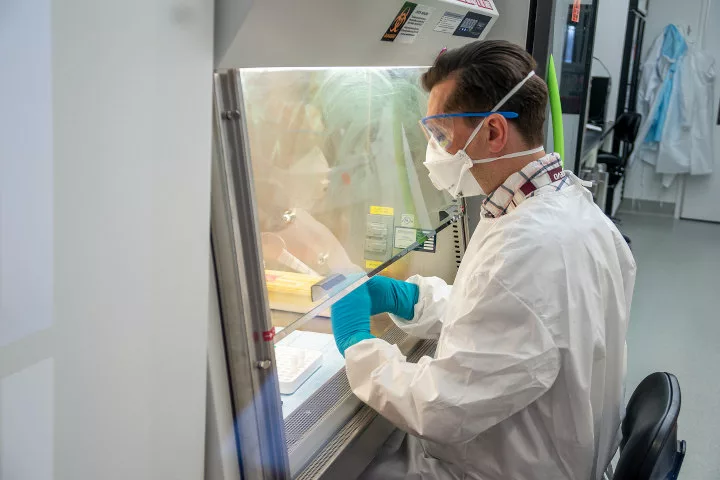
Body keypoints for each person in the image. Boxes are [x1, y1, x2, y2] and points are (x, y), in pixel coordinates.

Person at [331, 40, 637, 480]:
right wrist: (410, 298)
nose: (433, 149)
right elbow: (506, 318)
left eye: (440, 133)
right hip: (547, 446)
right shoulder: (556, 203)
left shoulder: (530, 247)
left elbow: (442, 408)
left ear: (493, 132)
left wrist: (359, 346)